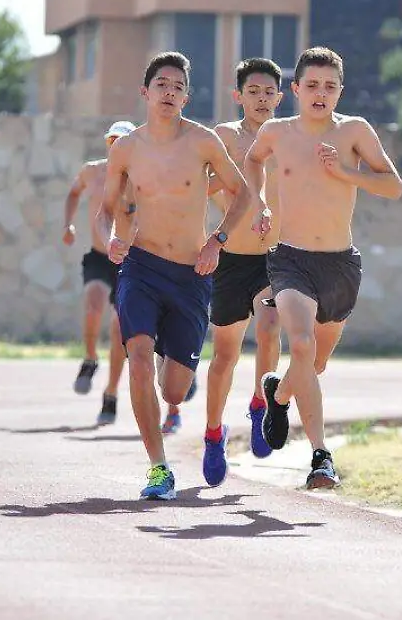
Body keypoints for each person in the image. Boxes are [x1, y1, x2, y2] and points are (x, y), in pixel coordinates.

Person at [244, 46, 402, 490]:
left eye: (329, 86)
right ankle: (320, 456)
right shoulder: (276, 132)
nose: (320, 93)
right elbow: (253, 160)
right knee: (300, 346)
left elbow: (393, 185)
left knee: (314, 365)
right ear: (294, 89)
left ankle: (278, 396)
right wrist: (258, 199)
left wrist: (347, 174)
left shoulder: (354, 131)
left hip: (339, 264)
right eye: (311, 85)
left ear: (340, 92)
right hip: (290, 258)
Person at [96, 50, 253, 501]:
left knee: (175, 391)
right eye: (162, 84)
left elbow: (241, 193)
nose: (170, 92)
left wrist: (216, 240)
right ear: (145, 92)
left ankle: (177, 359)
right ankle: (159, 468)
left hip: (191, 273)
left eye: (178, 87)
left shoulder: (203, 142)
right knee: (138, 359)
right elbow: (106, 212)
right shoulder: (126, 149)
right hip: (141, 267)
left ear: (187, 97)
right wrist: (109, 238)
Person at [199, 57, 285, 487]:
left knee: (270, 325)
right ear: (239, 96)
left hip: (274, 257)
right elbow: (203, 185)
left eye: (269, 92)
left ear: (280, 97)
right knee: (226, 355)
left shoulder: (286, 138)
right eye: (253, 92)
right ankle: (214, 434)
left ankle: (259, 407)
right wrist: (236, 189)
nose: (262, 98)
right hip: (232, 257)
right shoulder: (224, 137)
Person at [63, 120, 135, 425]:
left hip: (129, 261)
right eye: (112, 140)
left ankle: (111, 393)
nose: (116, 145)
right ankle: (90, 358)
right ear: (107, 143)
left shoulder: (141, 177)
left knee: (120, 330)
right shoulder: (92, 171)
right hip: (98, 254)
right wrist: (68, 224)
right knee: (93, 305)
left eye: (123, 141)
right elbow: (73, 193)